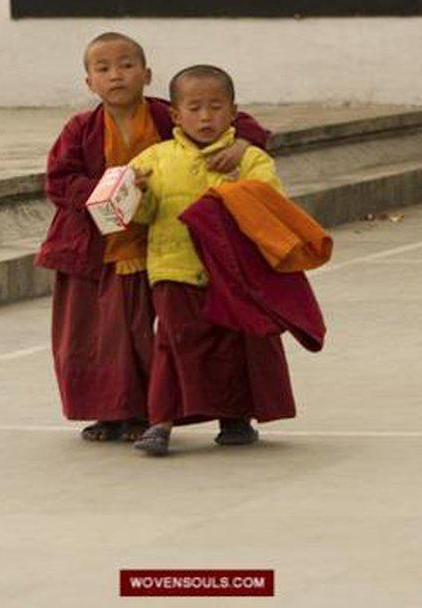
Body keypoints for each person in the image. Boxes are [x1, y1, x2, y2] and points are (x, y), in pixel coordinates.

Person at [35, 35, 268, 443]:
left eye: (126, 65)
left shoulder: (169, 115)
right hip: (99, 244)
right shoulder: (80, 128)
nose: (116, 75)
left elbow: (236, 120)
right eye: (103, 69)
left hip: (163, 241)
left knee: (157, 338)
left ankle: (152, 412)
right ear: (89, 82)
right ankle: (110, 413)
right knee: (101, 337)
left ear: (147, 74)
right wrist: (111, 188)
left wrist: (244, 142)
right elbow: (59, 182)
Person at [131, 65, 298, 457]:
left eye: (216, 107)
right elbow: (142, 215)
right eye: (194, 108)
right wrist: (136, 195)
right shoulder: (154, 159)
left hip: (233, 273)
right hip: (173, 268)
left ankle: (235, 419)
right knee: (172, 344)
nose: (206, 117)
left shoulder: (251, 158)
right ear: (175, 115)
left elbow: (270, 203)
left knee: (234, 345)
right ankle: (160, 422)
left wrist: (240, 182)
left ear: (233, 112)